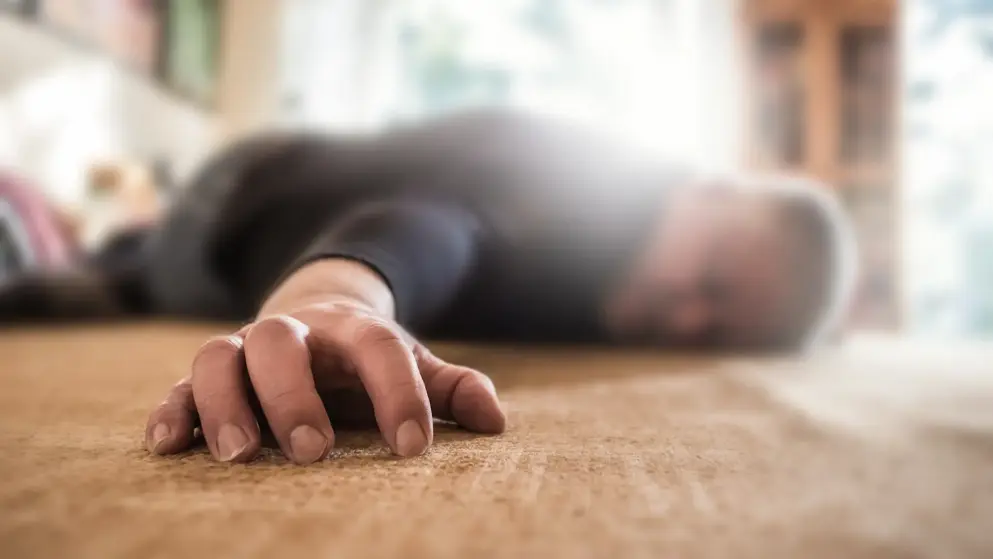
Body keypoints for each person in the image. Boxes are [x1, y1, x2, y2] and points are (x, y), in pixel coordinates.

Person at [0, 108, 857, 465]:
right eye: (707, 276)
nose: (687, 319)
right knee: (152, 282)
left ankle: (106, 269)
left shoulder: (632, 282)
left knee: (114, 277)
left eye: (717, 330)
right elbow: (437, 223)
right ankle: (110, 269)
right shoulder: (576, 179)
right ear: (698, 188)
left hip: (282, 231)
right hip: (244, 207)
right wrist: (336, 299)